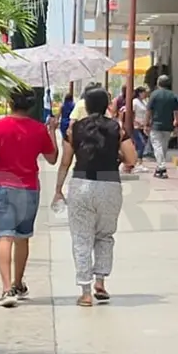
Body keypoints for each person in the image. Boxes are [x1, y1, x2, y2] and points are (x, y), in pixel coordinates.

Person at [54, 87, 136, 307]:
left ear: (86, 106)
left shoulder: (74, 129)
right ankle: (101, 281)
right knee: (105, 235)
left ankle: (85, 291)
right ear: (107, 105)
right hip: (110, 186)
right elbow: (131, 159)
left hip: (81, 184)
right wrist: (115, 153)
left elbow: (65, 162)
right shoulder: (117, 128)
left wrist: (58, 189)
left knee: (82, 237)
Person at [0, 86, 59, 307]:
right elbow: (52, 158)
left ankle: (7, 290)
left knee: (4, 236)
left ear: (10, 102)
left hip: (2, 186)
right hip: (29, 187)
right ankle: (18, 282)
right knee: (23, 237)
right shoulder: (38, 129)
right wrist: (51, 130)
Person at [146, 75, 178, 179]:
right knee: (163, 147)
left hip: (156, 124)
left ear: (158, 83)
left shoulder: (154, 94)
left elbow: (149, 110)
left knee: (157, 146)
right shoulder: (172, 95)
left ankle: (161, 166)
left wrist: (146, 123)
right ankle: (159, 169)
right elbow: (176, 111)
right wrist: (176, 122)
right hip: (168, 125)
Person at [130, 86, 150, 160]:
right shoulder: (135, 102)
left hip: (143, 126)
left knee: (141, 144)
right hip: (136, 126)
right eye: (144, 93)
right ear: (139, 93)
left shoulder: (145, 102)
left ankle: (137, 160)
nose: (145, 94)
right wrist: (134, 122)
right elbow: (132, 113)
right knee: (141, 144)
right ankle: (138, 160)